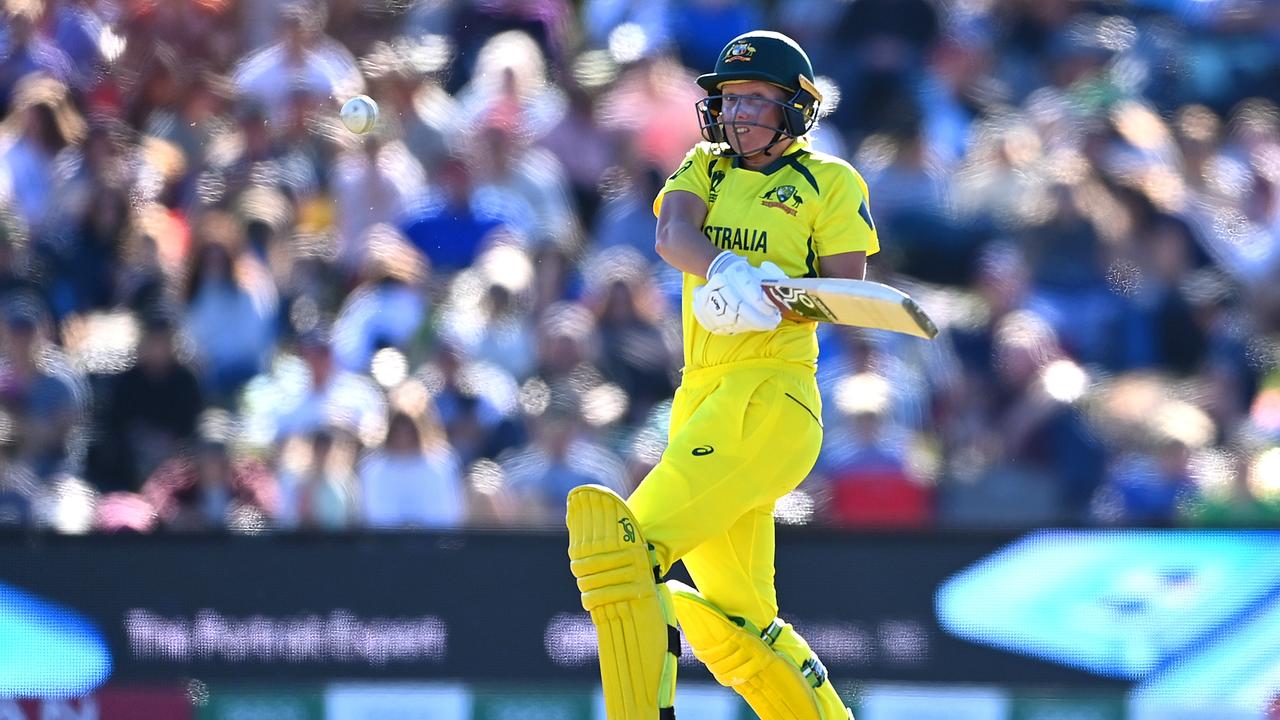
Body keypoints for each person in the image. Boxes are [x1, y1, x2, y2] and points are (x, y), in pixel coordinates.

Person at [565, 30, 872, 720]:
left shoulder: (830, 182)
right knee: (742, 626)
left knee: (621, 551)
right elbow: (673, 235)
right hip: (702, 397)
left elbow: (846, 291)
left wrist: (776, 302)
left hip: (770, 395)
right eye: (729, 99)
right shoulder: (705, 166)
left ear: (795, 107)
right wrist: (729, 271)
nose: (736, 114)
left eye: (754, 100)